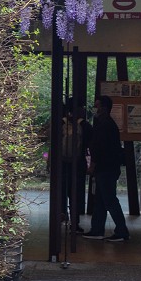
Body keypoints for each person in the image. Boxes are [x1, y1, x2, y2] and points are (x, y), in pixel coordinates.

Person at [82, 95, 130, 242]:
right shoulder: (108, 124)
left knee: (109, 200)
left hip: (105, 168)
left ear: (103, 108)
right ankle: (97, 230)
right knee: (102, 200)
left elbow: (99, 149)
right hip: (109, 167)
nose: (95, 109)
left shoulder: (104, 125)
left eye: (97, 106)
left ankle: (121, 231)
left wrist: (92, 165)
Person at [60, 97, 91, 232]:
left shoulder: (61, 123)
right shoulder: (85, 125)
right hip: (78, 164)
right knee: (76, 194)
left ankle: (61, 216)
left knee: (62, 192)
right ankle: (75, 223)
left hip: (62, 164)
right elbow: (90, 146)